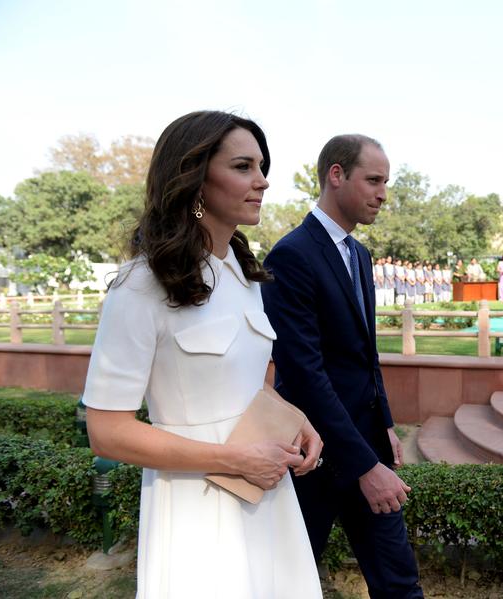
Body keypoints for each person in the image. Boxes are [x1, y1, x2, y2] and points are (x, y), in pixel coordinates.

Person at [82, 111, 323, 598]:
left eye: (261, 165)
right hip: (194, 503)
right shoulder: (142, 285)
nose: (263, 180)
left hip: (264, 491)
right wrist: (232, 458)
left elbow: (247, 378)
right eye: (243, 166)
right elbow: (106, 432)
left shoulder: (242, 271)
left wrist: (294, 418)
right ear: (193, 177)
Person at [262, 134, 423, 598]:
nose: (383, 193)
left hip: (366, 441)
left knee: (399, 581)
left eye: (385, 182)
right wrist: (363, 466)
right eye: (373, 180)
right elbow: (304, 374)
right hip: (314, 454)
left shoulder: (360, 254)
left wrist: (386, 424)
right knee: (291, 583)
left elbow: (365, 355)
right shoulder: (291, 256)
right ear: (336, 174)